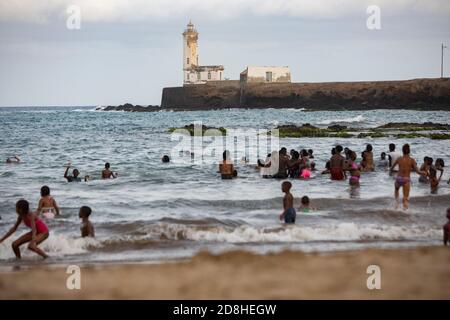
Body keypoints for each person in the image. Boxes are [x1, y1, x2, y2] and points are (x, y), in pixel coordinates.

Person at [390, 144, 427, 210]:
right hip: (406, 179)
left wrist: (390, 173)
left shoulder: (399, 159)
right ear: (409, 151)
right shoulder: (412, 160)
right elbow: (418, 171)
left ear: (402, 151)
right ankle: (405, 212)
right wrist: (424, 172)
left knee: (396, 190)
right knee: (405, 198)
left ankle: (396, 204)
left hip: (398, 178)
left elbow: (391, 168)